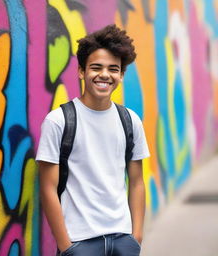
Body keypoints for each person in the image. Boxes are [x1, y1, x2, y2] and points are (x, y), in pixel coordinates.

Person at [36, 24, 150, 256]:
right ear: (81, 71)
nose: (105, 75)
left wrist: (135, 237)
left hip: (123, 239)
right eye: (96, 67)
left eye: (113, 69)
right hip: (80, 242)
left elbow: (137, 182)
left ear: (121, 74)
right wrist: (66, 246)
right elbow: (48, 188)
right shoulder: (58, 121)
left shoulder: (130, 121)